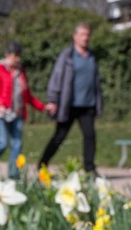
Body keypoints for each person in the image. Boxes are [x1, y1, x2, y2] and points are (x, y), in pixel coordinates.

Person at [38, 23, 103, 175]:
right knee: (59, 136)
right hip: (69, 105)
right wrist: (53, 100)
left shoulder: (92, 57)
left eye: (87, 35)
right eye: (82, 34)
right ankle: (42, 164)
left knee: (90, 136)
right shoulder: (67, 56)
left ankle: (89, 168)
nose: (85, 38)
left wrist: (98, 102)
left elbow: (96, 82)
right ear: (75, 36)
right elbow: (56, 77)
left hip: (88, 105)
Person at [0, 41, 45, 179]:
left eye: (19, 55)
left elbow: (27, 95)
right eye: (16, 55)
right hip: (1, 113)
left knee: (17, 144)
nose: (18, 59)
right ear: (7, 55)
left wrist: (42, 107)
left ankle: (13, 173)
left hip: (17, 113)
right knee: (2, 143)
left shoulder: (21, 71)